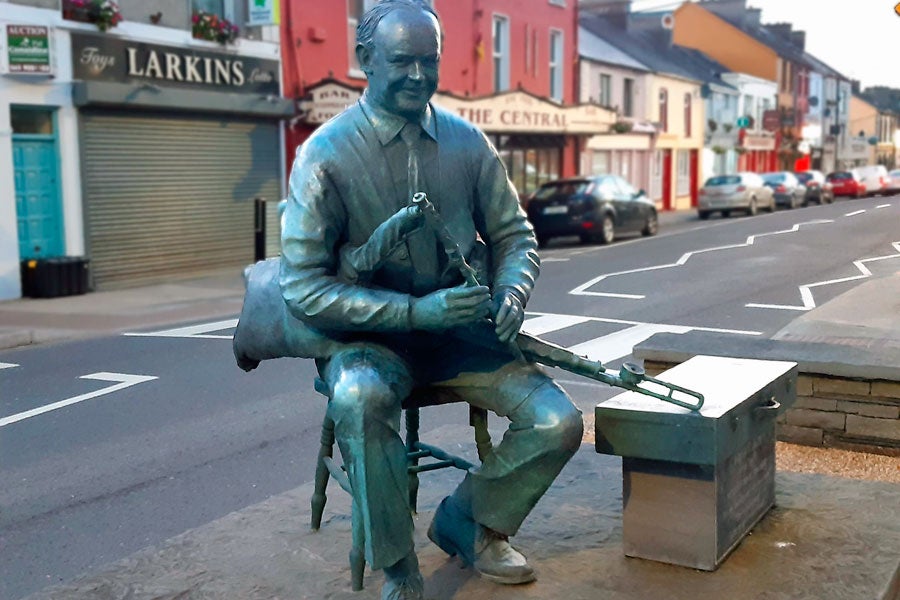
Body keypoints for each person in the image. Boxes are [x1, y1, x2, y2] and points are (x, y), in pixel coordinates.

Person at [278, 1, 583, 598]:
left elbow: (514, 236)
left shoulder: (468, 144)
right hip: (370, 342)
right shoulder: (324, 155)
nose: (418, 75)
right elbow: (303, 288)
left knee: (559, 421)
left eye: (430, 60)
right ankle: (399, 568)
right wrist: (414, 313)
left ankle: (469, 521)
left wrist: (511, 290)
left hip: (461, 336)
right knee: (360, 398)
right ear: (365, 60)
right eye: (402, 61)